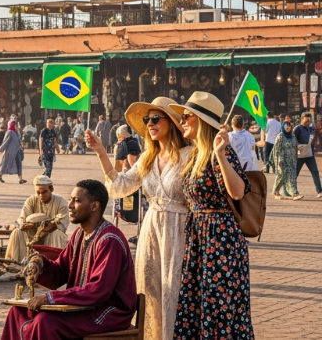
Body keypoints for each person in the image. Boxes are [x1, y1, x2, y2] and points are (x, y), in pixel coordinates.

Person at [85, 97, 191, 340]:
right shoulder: (147, 158)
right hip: (152, 228)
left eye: (156, 118)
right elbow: (120, 185)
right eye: (147, 120)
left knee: (176, 289)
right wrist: (101, 151)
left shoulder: (190, 155)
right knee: (150, 288)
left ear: (172, 122)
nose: (150, 124)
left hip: (181, 228)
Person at [1, 179, 137, 340]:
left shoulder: (109, 240)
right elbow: (61, 270)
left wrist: (49, 298)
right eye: (71, 199)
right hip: (84, 305)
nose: (70, 205)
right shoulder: (79, 234)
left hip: (110, 311)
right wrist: (40, 263)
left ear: (94, 206)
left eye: (77, 201)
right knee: (17, 312)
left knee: (46, 322)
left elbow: (98, 290)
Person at [168, 92, 254, 339]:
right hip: (198, 237)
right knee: (196, 305)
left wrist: (220, 154)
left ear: (202, 121)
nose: (182, 121)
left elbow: (237, 192)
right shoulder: (194, 155)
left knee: (219, 307)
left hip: (221, 240)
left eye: (187, 116)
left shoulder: (220, 153)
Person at [4, 175, 68, 263]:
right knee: (17, 232)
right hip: (31, 232)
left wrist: (49, 226)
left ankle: (55, 265)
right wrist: (24, 225)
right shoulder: (31, 201)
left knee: (57, 233)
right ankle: (15, 264)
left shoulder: (61, 202)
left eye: (44, 192)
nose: (41, 195)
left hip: (50, 232)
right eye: (38, 192)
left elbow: (63, 224)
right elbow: (22, 219)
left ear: (51, 189)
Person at [294, 112, 322, 198]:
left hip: (310, 155)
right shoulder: (297, 129)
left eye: (310, 119)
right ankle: (293, 191)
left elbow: (315, 138)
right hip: (299, 155)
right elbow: (293, 140)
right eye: (307, 119)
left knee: (315, 172)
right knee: (295, 173)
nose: (308, 121)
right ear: (302, 119)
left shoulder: (311, 129)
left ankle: (319, 191)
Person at [271, 120, 301, 200]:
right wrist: (279, 160)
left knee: (292, 176)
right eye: (286, 126)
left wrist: (298, 149)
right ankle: (276, 191)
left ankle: (295, 194)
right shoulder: (280, 136)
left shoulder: (293, 136)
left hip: (292, 160)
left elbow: (296, 145)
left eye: (289, 126)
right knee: (281, 176)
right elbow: (277, 149)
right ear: (283, 127)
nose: (287, 127)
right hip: (283, 160)